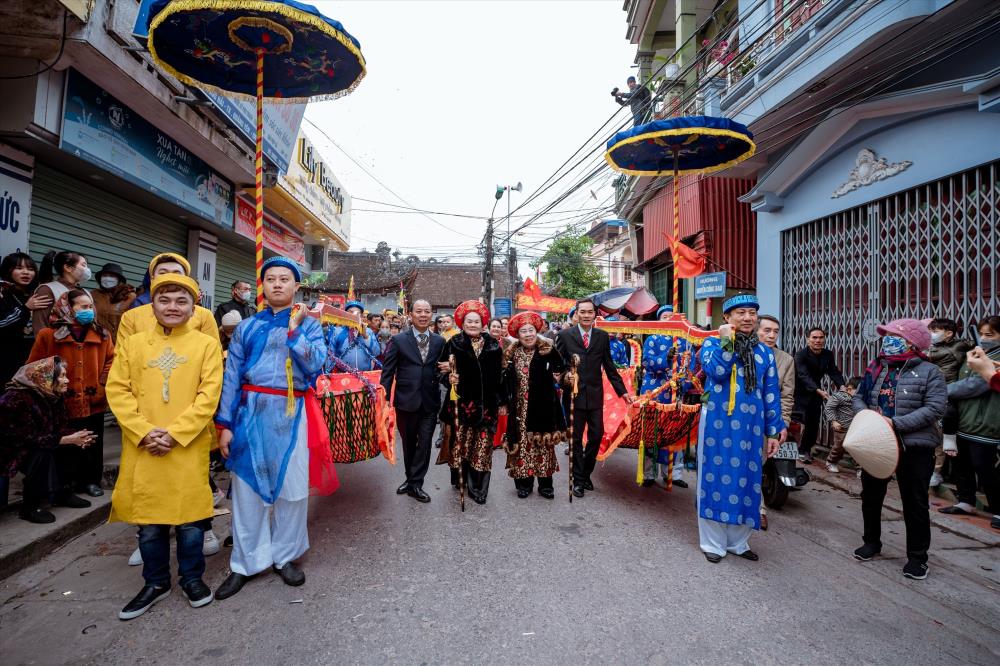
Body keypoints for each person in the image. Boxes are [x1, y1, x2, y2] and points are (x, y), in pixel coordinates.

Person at [214, 257, 333, 600]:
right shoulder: (247, 327)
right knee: (248, 490)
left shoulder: (310, 325)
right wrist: (224, 423)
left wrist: (295, 329)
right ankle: (245, 563)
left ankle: (285, 557)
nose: (277, 284)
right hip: (250, 413)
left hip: (292, 413)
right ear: (262, 286)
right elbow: (232, 377)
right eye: (270, 279)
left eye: (285, 279)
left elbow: (314, 363)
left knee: (292, 490)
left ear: (297, 287)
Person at [105, 273, 222, 620]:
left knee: (189, 521)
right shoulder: (133, 343)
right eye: (165, 300)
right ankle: (155, 582)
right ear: (152, 304)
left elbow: (209, 394)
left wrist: (175, 434)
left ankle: (191, 578)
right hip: (143, 445)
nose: (173, 307)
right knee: (150, 522)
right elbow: (118, 390)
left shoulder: (206, 344)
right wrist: (143, 431)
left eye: (181, 301)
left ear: (193, 306)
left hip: (186, 445)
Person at [851, 319, 947, 579]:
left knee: (914, 502)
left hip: (914, 446)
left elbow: (936, 407)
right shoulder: (876, 367)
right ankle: (871, 542)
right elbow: (859, 396)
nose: (888, 340)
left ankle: (917, 558)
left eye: (894, 336)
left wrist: (895, 424)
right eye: (887, 336)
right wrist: (868, 419)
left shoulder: (930, 371)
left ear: (912, 342)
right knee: (871, 496)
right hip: (877, 443)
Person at [697, 293, 786, 563]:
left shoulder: (764, 353)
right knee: (714, 476)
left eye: (751, 313)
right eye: (740, 313)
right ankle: (712, 543)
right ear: (727, 317)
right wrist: (727, 341)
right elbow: (717, 372)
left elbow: (771, 393)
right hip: (716, 422)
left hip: (751, 427)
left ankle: (738, 541)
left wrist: (773, 431)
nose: (747, 318)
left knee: (748, 480)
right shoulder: (712, 343)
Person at [28, 289, 114, 501]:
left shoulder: (102, 334)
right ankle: (65, 485)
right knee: (65, 443)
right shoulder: (48, 335)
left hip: (94, 399)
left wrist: (102, 382)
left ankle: (90, 481)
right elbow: (35, 365)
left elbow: (113, 360)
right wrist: (53, 386)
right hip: (61, 402)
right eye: (83, 307)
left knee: (92, 442)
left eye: (90, 307)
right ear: (67, 308)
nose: (89, 311)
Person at [0, 357, 95, 523]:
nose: (67, 380)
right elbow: (24, 438)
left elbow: (60, 428)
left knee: (74, 446)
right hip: (12, 450)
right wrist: (64, 439)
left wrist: (79, 437)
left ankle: (62, 493)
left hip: (39, 442)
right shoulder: (15, 399)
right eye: (62, 376)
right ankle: (30, 506)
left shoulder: (52, 395)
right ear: (46, 378)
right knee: (41, 455)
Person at [556, 298, 632, 498]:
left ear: (595, 315)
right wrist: (566, 376)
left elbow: (609, 365)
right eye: (582, 312)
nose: (586, 315)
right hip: (573, 396)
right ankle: (578, 480)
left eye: (590, 312)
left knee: (596, 436)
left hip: (595, 396)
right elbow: (557, 365)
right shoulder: (565, 336)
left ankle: (586, 473)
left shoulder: (602, 337)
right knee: (575, 439)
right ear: (576, 314)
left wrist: (622, 391)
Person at [436, 300, 505, 504]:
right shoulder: (454, 343)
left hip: (487, 407)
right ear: (462, 323)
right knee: (461, 446)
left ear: (483, 324)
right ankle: (461, 480)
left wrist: (502, 402)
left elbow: (499, 377)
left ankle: (478, 488)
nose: (473, 325)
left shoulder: (493, 345)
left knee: (483, 448)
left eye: (476, 321)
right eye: (469, 321)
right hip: (461, 406)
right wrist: (449, 377)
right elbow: (439, 369)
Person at [939, 317, 1000, 530]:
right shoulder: (973, 355)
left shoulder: (994, 358)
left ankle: (998, 509)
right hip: (965, 419)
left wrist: (941, 391)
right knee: (961, 464)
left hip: (987, 423)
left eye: (990, 335)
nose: (983, 338)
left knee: (986, 468)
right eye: (981, 334)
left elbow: (974, 385)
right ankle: (966, 501)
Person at [381, 299, 444, 503]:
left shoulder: (439, 342)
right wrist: (383, 397)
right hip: (405, 400)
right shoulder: (399, 340)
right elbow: (388, 371)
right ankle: (410, 479)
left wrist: (448, 374)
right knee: (408, 444)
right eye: (419, 311)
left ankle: (416, 484)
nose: (423, 315)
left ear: (431, 314)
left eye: (427, 311)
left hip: (429, 401)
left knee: (424, 444)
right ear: (411, 314)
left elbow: (440, 370)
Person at [502, 312, 566, 499]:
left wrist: (568, 376)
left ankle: (546, 485)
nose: (528, 334)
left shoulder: (548, 350)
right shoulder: (511, 353)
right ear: (518, 335)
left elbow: (561, 369)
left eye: (531, 330)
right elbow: (503, 381)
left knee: (543, 445)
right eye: (524, 331)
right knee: (521, 445)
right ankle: (524, 484)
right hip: (519, 409)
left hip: (543, 407)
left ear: (537, 332)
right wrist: (504, 401)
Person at [639, 305, 689, 488]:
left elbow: (687, 367)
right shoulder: (652, 338)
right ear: (660, 319)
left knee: (674, 434)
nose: (669, 319)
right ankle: (648, 473)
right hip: (655, 392)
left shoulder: (683, 341)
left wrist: (684, 382)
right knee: (652, 432)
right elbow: (647, 362)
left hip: (675, 394)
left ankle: (672, 474)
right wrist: (666, 357)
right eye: (665, 316)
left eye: (672, 316)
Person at [118, 254, 219, 342]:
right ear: (152, 278)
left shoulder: (204, 316)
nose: (169, 277)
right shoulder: (131, 316)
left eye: (176, 273)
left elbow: (214, 355)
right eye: (163, 273)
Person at [756, 314, 795, 531]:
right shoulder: (745, 352)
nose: (771, 335)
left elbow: (787, 397)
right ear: (757, 331)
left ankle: (759, 509)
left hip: (767, 422)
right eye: (767, 330)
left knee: (757, 464)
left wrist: (783, 423)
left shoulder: (785, 360)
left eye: (775, 331)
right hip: (743, 419)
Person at [925, 317, 973, 487]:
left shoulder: (955, 347)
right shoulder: (934, 347)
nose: (932, 334)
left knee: (944, 427)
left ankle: (937, 471)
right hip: (932, 391)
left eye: (935, 331)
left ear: (949, 333)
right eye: (930, 331)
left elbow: (972, 344)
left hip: (948, 390)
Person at [793, 327, 846, 463]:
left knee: (812, 423)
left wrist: (842, 386)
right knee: (797, 422)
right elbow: (803, 375)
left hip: (816, 393)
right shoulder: (801, 355)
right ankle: (791, 448)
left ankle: (805, 450)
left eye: (821, 337)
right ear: (808, 339)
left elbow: (833, 371)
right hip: (799, 392)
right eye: (814, 337)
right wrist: (818, 390)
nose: (818, 340)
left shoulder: (827, 354)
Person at [0, 253, 46, 386]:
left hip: (32, 358)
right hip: (7, 359)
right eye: (19, 268)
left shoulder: (35, 293)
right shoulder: (3, 293)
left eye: (31, 269)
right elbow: (2, 323)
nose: (26, 272)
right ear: (8, 270)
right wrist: (26, 308)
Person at [32, 250, 91, 333]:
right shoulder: (47, 290)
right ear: (68, 268)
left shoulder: (86, 292)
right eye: (83, 265)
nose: (87, 269)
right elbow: (40, 325)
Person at [325, 300, 380, 372]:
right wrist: (328, 374)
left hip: (365, 376)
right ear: (345, 314)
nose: (354, 315)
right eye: (350, 312)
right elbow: (331, 355)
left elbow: (376, 352)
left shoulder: (368, 331)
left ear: (362, 316)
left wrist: (366, 336)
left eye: (358, 313)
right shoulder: (337, 332)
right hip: (344, 377)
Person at [823, 377, 862, 473]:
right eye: (858, 391)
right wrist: (833, 421)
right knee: (839, 447)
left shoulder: (860, 400)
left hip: (855, 428)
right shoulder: (839, 396)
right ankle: (831, 461)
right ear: (849, 389)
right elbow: (829, 408)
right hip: (842, 428)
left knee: (858, 448)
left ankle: (860, 468)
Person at [91, 263, 136, 343]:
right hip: (98, 342)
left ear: (119, 279)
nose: (107, 278)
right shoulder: (93, 294)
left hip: (120, 343)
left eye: (111, 276)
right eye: (104, 275)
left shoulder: (130, 296)